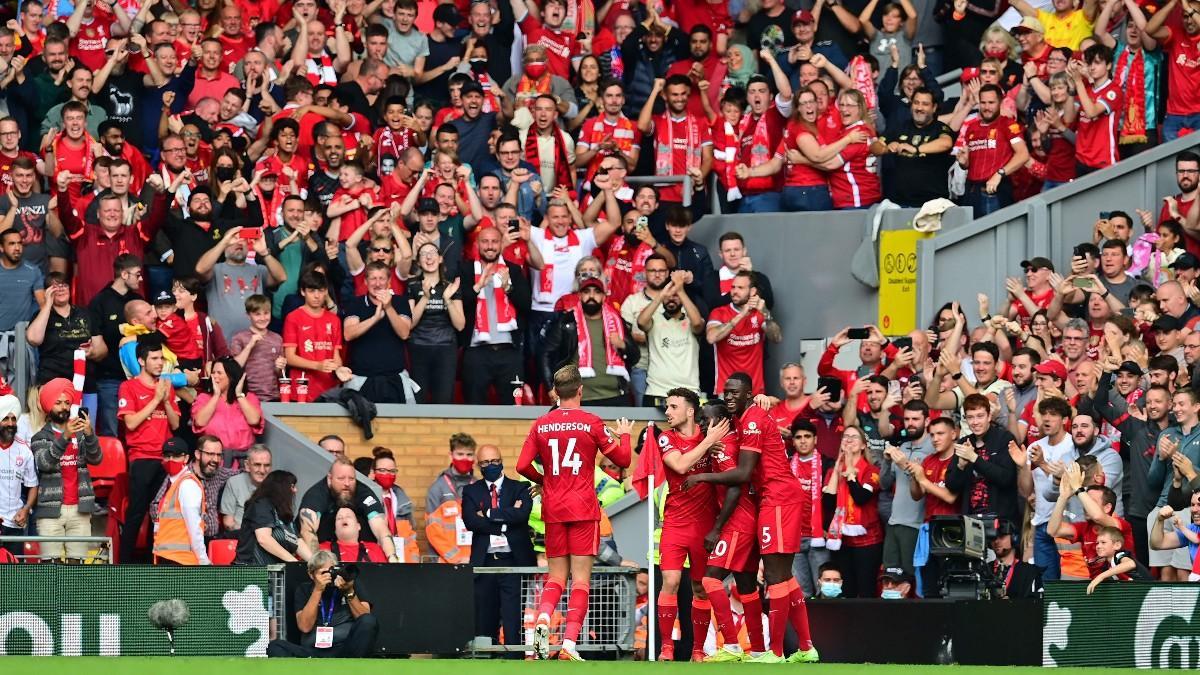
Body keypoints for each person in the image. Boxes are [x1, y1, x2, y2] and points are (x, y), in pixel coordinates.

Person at [685, 372, 818, 663]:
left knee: (773, 576)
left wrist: (703, 477)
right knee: (783, 576)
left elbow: (743, 474)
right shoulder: (745, 419)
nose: (730, 397)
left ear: (748, 394)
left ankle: (776, 652)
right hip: (771, 498)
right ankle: (806, 647)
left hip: (778, 497)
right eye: (726, 393)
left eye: (736, 393)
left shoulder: (754, 419)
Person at [517, 365, 632, 661]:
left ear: (556, 392)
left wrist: (545, 481)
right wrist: (625, 436)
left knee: (555, 577)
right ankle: (568, 644)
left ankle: (542, 620)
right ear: (580, 390)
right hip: (582, 507)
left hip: (553, 508)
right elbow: (623, 458)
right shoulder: (592, 422)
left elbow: (521, 466)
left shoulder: (540, 424)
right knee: (580, 580)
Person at [653, 388, 730, 662]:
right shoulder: (666, 438)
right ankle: (666, 648)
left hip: (704, 525)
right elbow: (682, 465)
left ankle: (698, 650)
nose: (667, 412)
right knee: (671, 581)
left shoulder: (711, 434)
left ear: (689, 410)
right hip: (674, 523)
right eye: (666, 407)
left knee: (700, 587)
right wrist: (709, 442)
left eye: (673, 407)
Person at [462, 443, 534, 653]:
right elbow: (470, 521)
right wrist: (507, 519)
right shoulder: (471, 491)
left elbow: (523, 515)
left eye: (494, 461)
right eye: (485, 462)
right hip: (485, 565)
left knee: (513, 620)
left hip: (514, 562)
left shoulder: (520, 488)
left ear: (501, 461)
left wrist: (490, 516)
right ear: (478, 465)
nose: (491, 465)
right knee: (485, 620)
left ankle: (514, 661)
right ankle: (487, 659)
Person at [117, 336, 181, 563]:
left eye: (161, 358)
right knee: (136, 512)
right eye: (154, 358)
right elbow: (131, 423)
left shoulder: (166, 387)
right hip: (142, 457)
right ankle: (124, 565)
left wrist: (164, 400)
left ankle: (153, 562)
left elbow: (175, 424)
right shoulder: (129, 386)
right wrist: (155, 400)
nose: (159, 362)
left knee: (161, 516)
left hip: (166, 460)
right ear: (141, 361)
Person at [31, 379, 100, 562]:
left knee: (76, 567)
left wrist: (90, 434)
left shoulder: (80, 433)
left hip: (80, 509)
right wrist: (64, 438)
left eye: (67, 403)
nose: (63, 407)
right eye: (58, 402)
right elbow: (44, 463)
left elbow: (96, 458)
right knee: (50, 567)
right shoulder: (40, 437)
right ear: (48, 406)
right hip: (50, 511)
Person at [542, 276, 639, 406]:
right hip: (577, 398)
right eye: (587, 292)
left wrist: (622, 345)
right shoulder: (566, 321)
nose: (591, 296)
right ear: (580, 296)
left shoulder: (617, 321)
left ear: (604, 297)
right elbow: (545, 354)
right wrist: (550, 387)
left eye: (597, 292)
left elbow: (635, 357)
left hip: (615, 396)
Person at [266, 549, 379, 657]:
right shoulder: (304, 589)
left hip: (345, 649)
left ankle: (353, 666)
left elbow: (365, 619)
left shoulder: (349, 584)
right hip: (313, 651)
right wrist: (318, 590)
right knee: (275, 646)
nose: (329, 576)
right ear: (311, 575)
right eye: (324, 572)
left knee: (369, 621)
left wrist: (348, 592)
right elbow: (305, 627)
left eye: (332, 571)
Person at [298, 457, 400, 562]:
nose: (347, 483)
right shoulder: (316, 495)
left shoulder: (363, 492)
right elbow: (307, 531)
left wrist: (392, 558)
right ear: (330, 478)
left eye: (351, 479)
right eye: (341, 478)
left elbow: (381, 529)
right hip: (322, 550)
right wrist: (318, 564)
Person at [706, 271, 782, 396]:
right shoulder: (719, 312)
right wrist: (741, 315)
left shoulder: (759, 314)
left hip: (755, 392)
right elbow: (711, 337)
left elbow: (776, 337)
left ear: (752, 292)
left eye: (740, 288)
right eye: (733, 287)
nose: (734, 291)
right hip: (726, 392)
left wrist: (765, 313)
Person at [191, 357, 263, 467]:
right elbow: (199, 422)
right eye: (213, 373)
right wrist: (216, 395)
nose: (215, 376)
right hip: (214, 461)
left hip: (243, 462)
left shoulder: (249, 398)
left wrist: (239, 395)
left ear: (231, 376)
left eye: (219, 373)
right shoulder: (204, 398)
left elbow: (254, 420)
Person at [153, 437, 210, 566]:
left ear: (186, 458)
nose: (171, 460)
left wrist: (203, 560)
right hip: (170, 559)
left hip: (182, 562)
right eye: (167, 456)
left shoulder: (187, 484)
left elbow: (194, 525)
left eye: (176, 455)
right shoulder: (173, 484)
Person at [235, 469, 313, 565]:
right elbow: (264, 539)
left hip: (275, 572)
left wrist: (315, 563)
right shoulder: (261, 505)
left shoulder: (283, 512)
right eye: (292, 486)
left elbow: (297, 541)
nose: (295, 490)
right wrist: (294, 563)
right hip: (251, 570)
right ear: (281, 488)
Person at [426, 432, 477, 564]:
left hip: (474, 562)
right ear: (451, 455)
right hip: (445, 563)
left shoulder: (479, 487)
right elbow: (432, 529)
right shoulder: (438, 488)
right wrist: (456, 558)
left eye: (469, 454)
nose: (465, 458)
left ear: (474, 457)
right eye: (460, 454)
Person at [0, 393, 36, 557]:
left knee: (14, 576)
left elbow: (33, 485)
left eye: (13, 419)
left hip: (15, 523)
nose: (10, 423)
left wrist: (26, 508)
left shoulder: (25, 450)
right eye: (5, 419)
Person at [369, 447, 419, 563]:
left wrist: (414, 561)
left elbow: (411, 537)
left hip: (402, 561)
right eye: (382, 470)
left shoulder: (403, 500)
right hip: (376, 560)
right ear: (373, 472)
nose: (387, 474)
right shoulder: (367, 499)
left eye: (392, 471)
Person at [221, 444, 272, 531]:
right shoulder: (234, 483)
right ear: (247, 465)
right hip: (240, 537)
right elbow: (228, 523)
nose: (262, 470)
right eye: (257, 465)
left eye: (267, 465)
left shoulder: (276, 486)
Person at [1085, 526, 1152, 592]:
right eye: (1097, 543)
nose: (1098, 546)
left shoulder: (1119, 555)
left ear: (1117, 545)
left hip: (1151, 593)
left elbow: (1130, 564)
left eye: (1103, 542)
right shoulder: (1106, 565)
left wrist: (1101, 576)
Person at [320, 507, 388, 563]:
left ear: (358, 526)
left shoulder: (375, 549)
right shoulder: (322, 549)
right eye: (339, 518)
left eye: (348, 516)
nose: (344, 518)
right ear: (335, 530)